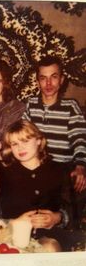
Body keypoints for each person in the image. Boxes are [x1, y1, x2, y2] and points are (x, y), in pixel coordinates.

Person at [0, 120, 85, 251]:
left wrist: (57, 218)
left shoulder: (59, 169)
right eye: (14, 144)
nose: (20, 148)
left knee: (50, 247)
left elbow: (74, 214)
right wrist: (14, 222)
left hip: (51, 236)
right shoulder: (1, 169)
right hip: (10, 236)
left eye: (25, 141)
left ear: (39, 140)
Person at [22, 55, 86, 226]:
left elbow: (79, 137)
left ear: (62, 80)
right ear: (37, 82)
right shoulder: (31, 104)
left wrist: (80, 165)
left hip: (61, 167)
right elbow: (22, 135)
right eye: (43, 78)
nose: (48, 84)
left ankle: (64, 223)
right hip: (36, 166)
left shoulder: (70, 106)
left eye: (54, 77)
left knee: (73, 186)